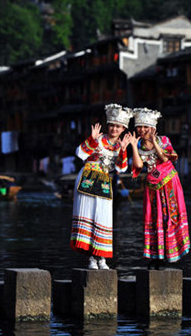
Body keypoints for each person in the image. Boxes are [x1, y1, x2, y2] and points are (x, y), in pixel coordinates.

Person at [126, 108, 190, 270]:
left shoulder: (164, 140)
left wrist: (154, 142)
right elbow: (139, 165)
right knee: (154, 219)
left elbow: (165, 158)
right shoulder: (139, 145)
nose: (142, 130)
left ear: (153, 128)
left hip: (169, 184)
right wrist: (133, 146)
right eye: (140, 127)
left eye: (146, 127)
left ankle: (169, 255)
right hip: (152, 187)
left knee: (170, 216)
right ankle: (155, 256)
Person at [70, 104, 132, 270]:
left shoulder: (120, 146)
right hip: (88, 177)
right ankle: (91, 258)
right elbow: (80, 154)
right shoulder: (98, 139)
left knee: (103, 218)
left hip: (104, 180)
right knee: (89, 216)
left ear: (123, 129)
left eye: (118, 126)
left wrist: (124, 150)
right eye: (112, 125)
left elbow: (121, 168)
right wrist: (91, 139)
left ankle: (102, 258)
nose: (114, 128)